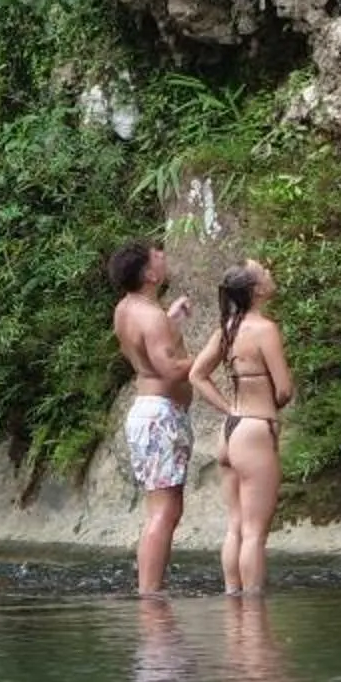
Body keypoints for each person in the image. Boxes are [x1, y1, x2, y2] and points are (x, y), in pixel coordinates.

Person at [187, 259, 293, 597]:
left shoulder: (228, 327)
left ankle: (234, 603)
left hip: (229, 430)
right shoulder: (265, 329)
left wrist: (228, 408)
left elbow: (196, 375)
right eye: (265, 272)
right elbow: (284, 390)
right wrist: (268, 408)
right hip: (255, 429)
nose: (271, 273)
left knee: (235, 527)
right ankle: (253, 609)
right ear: (257, 290)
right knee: (255, 533)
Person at [107, 237, 199, 595]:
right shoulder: (151, 316)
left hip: (148, 413)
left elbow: (148, 352)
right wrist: (216, 349)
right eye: (157, 255)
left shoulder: (127, 308)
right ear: (149, 273)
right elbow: (171, 370)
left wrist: (170, 320)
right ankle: (150, 594)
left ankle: (150, 591)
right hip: (161, 416)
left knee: (161, 509)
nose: (163, 256)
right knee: (165, 512)